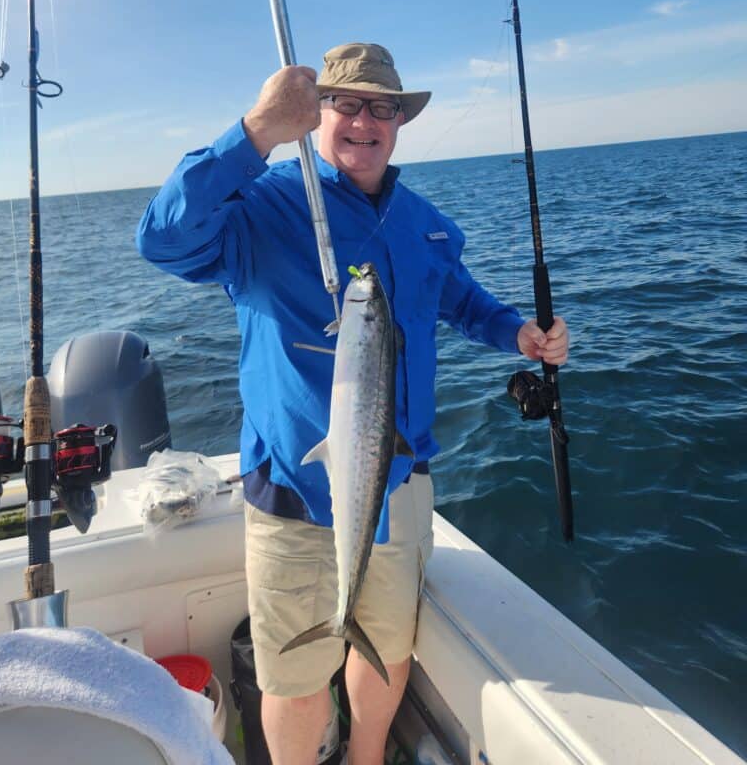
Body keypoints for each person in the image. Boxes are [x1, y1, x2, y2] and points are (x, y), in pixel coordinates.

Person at [136, 42, 569, 765]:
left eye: (384, 107)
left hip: (398, 486)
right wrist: (256, 133)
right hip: (294, 493)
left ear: (400, 123)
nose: (365, 120)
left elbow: (459, 298)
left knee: (388, 649)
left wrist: (517, 332)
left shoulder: (424, 220)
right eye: (347, 103)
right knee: (296, 677)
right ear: (318, 112)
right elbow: (162, 239)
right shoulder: (263, 206)